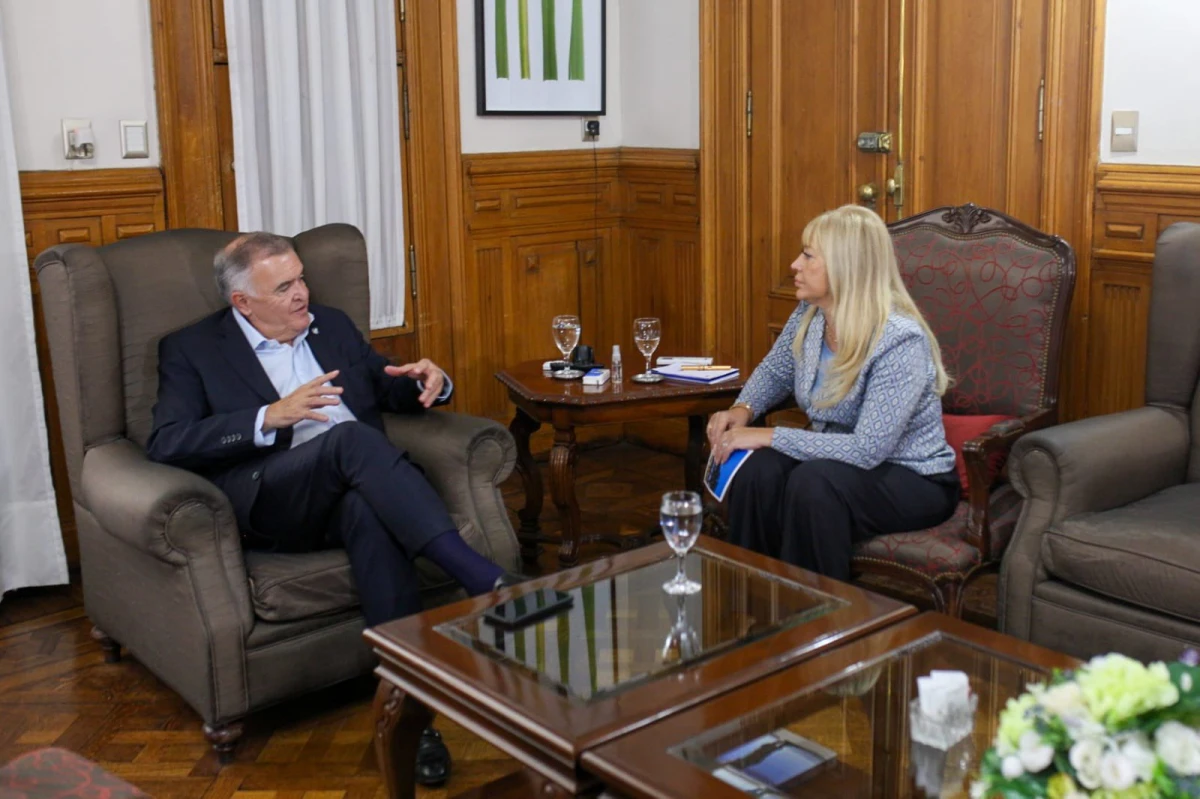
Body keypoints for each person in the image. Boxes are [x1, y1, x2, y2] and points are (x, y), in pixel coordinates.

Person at [146, 231, 512, 786]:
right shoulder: (191, 349)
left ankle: (413, 721)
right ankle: (482, 576)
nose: (303, 293)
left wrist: (428, 382)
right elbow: (168, 442)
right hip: (273, 498)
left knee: (367, 507)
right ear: (242, 301)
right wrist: (270, 416)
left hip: (357, 492)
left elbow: (383, 387)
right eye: (285, 286)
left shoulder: (331, 324)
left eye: (302, 277)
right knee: (350, 442)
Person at [707, 205, 959, 581]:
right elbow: (777, 369)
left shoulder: (899, 339)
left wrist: (768, 434)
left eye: (808, 256)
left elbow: (867, 449)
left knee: (814, 485)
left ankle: (818, 622)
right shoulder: (810, 314)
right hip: (832, 461)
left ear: (846, 266)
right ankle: (752, 606)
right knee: (758, 471)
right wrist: (743, 409)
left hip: (911, 476)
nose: (794, 264)